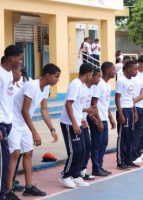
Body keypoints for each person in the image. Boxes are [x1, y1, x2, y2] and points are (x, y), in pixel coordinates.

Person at [6, 63, 61, 199]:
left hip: (24, 122)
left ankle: (29, 187)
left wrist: (52, 129)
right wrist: (35, 132)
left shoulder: (46, 87)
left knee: (28, 153)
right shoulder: (32, 85)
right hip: (14, 121)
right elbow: (24, 111)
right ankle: (7, 191)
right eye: (56, 77)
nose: (57, 80)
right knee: (14, 154)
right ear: (47, 75)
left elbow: (44, 110)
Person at [59, 63, 97, 188]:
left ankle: (75, 176)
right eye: (91, 74)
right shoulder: (75, 84)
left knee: (81, 150)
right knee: (74, 151)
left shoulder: (81, 86)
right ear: (87, 73)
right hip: (69, 123)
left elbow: (77, 106)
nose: (91, 77)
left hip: (77, 121)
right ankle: (65, 175)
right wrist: (75, 123)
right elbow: (68, 104)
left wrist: (82, 118)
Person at [0, 45, 23, 200]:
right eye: (19, 59)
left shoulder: (9, 75)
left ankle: (4, 192)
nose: (20, 62)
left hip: (7, 123)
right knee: (3, 162)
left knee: (6, 161)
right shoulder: (1, 74)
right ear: (11, 58)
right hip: (0, 124)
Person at [89, 62, 116, 176]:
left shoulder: (108, 85)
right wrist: (98, 120)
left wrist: (111, 118)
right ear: (107, 71)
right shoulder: (99, 85)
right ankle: (96, 168)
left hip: (104, 118)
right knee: (97, 144)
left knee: (103, 143)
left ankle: (100, 166)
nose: (115, 71)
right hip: (98, 118)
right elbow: (93, 103)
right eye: (113, 69)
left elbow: (106, 104)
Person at [115, 60, 138, 170]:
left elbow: (132, 97)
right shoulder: (121, 81)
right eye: (134, 69)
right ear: (128, 69)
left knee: (130, 136)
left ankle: (128, 159)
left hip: (130, 110)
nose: (136, 71)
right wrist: (120, 113)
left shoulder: (132, 81)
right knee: (123, 137)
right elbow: (117, 97)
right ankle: (121, 161)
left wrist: (135, 111)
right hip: (123, 110)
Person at [80, 67, 101, 180]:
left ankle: (82, 170)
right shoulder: (80, 88)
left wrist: (92, 117)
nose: (99, 79)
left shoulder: (91, 89)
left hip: (83, 121)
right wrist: (82, 117)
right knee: (80, 148)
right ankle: (74, 172)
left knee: (87, 146)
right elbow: (74, 107)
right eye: (97, 76)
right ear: (90, 76)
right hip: (76, 122)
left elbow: (87, 109)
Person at [131, 56, 143, 165]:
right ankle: (133, 154)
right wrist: (131, 102)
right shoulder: (131, 77)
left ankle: (138, 151)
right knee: (135, 132)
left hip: (140, 106)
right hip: (133, 107)